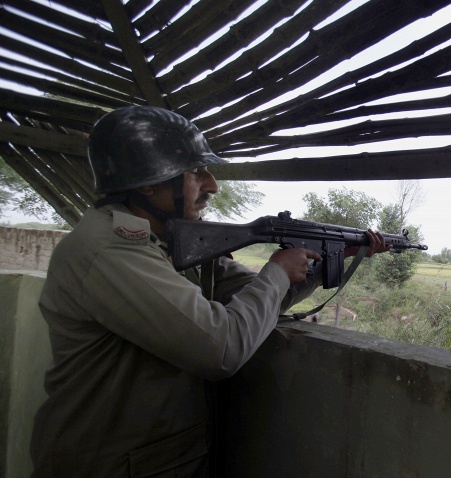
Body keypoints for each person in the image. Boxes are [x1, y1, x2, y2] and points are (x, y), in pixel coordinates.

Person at [30, 106, 389, 477]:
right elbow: (222, 348)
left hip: (156, 459)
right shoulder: (110, 249)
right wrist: (278, 270)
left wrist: (321, 262)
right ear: (149, 182)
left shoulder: (170, 242)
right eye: (196, 173)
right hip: (107, 465)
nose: (213, 185)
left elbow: (259, 302)